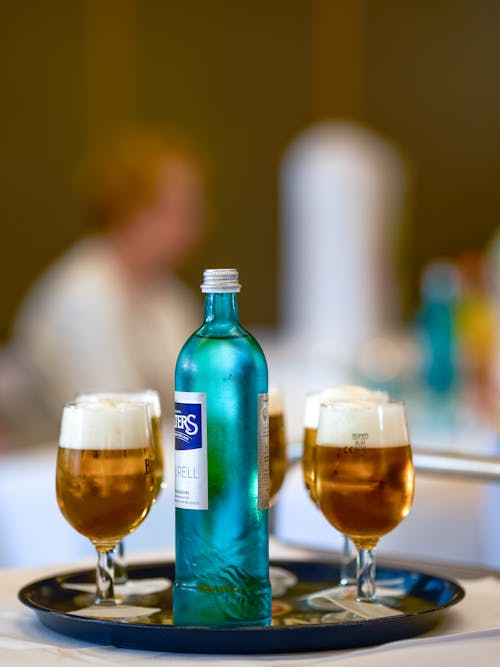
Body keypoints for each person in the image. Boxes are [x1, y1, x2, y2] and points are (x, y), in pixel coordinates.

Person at [1, 127, 207, 446]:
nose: (195, 223)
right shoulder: (82, 297)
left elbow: (197, 395)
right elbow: (117, 425)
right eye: (178, 210)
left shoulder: (167, 295)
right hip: (53, 476)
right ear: (129, 210)